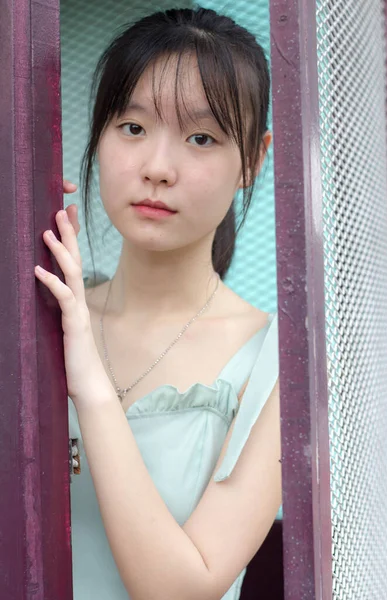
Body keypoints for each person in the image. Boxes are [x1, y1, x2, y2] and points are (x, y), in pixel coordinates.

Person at [35, 7, 281, 599]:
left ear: (253, 158)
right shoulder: (40, 310)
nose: (156, 169)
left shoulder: (278, 364)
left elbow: (181, 588)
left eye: (201, 138)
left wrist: (90, 382)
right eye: (133, 128)